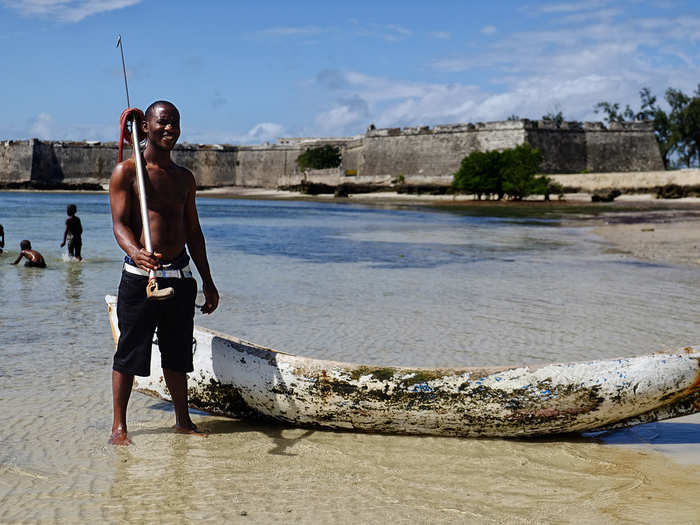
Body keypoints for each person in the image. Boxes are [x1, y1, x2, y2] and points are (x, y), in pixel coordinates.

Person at [108, 100, 219, 446]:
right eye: (163, 123)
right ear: (146, 127)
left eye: (175, 123)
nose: (170, 129)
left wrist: (208, 282)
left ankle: (182, 420)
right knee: (130, 353)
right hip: (143, 279)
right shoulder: (128, 172)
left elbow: (194, 232)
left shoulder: (184, 178)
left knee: (177, 355)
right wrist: (136, 252)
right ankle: (119, 427)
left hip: (181, 277)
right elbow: (119, 225)